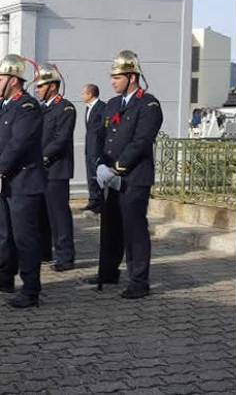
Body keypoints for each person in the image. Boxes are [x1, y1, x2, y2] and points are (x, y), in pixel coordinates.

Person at [90, 50, 163, 299]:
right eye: (112, 77)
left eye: (117, 77)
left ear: (132, 77)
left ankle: (139, 281)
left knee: (134, 230)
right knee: (110, 227)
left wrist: (117, 167)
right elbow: (101, 137)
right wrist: (101, 164)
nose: (112, 81)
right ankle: (108, 271)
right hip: (110, 176)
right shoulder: (112, 104)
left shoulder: (148, 104)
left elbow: (141, 141)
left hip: (134, 177)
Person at [0, 54, 46, 308]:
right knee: (4, 234)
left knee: (24, 237)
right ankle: (5, 277)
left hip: (23, 181)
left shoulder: (27, 107)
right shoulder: (1, 107)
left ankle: (30, 289)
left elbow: (18, 144)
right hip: (2, 181)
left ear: (14, 80)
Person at [35, 64, 77, 272]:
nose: (37, 90)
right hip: (40, 170)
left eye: (41, 86)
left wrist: (41, 156)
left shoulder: (65, 108)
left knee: (58, 214)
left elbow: (60, 139)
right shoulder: (41, 108)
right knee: (41, 213)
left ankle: (65, 255)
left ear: (52, 86)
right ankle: (44, 251)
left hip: (56, 168)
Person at [81, 84, 105, 214]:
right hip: (89, 146)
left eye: (83, 93)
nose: (82, 96)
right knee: (90, 174)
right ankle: (93, 200)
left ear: (90, 94)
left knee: (97, 174)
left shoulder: (102, 107)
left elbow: (102, 128)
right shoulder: (88, 108)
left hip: (97, 147)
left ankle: (99, 202)